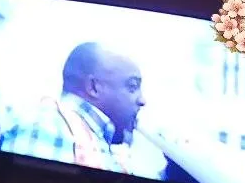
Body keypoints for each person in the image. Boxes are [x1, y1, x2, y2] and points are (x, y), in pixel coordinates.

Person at [7, 41, 145, 173]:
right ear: (94, 87)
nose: (142, 100)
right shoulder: (49, 125)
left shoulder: (97, 141)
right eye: (132, 86)